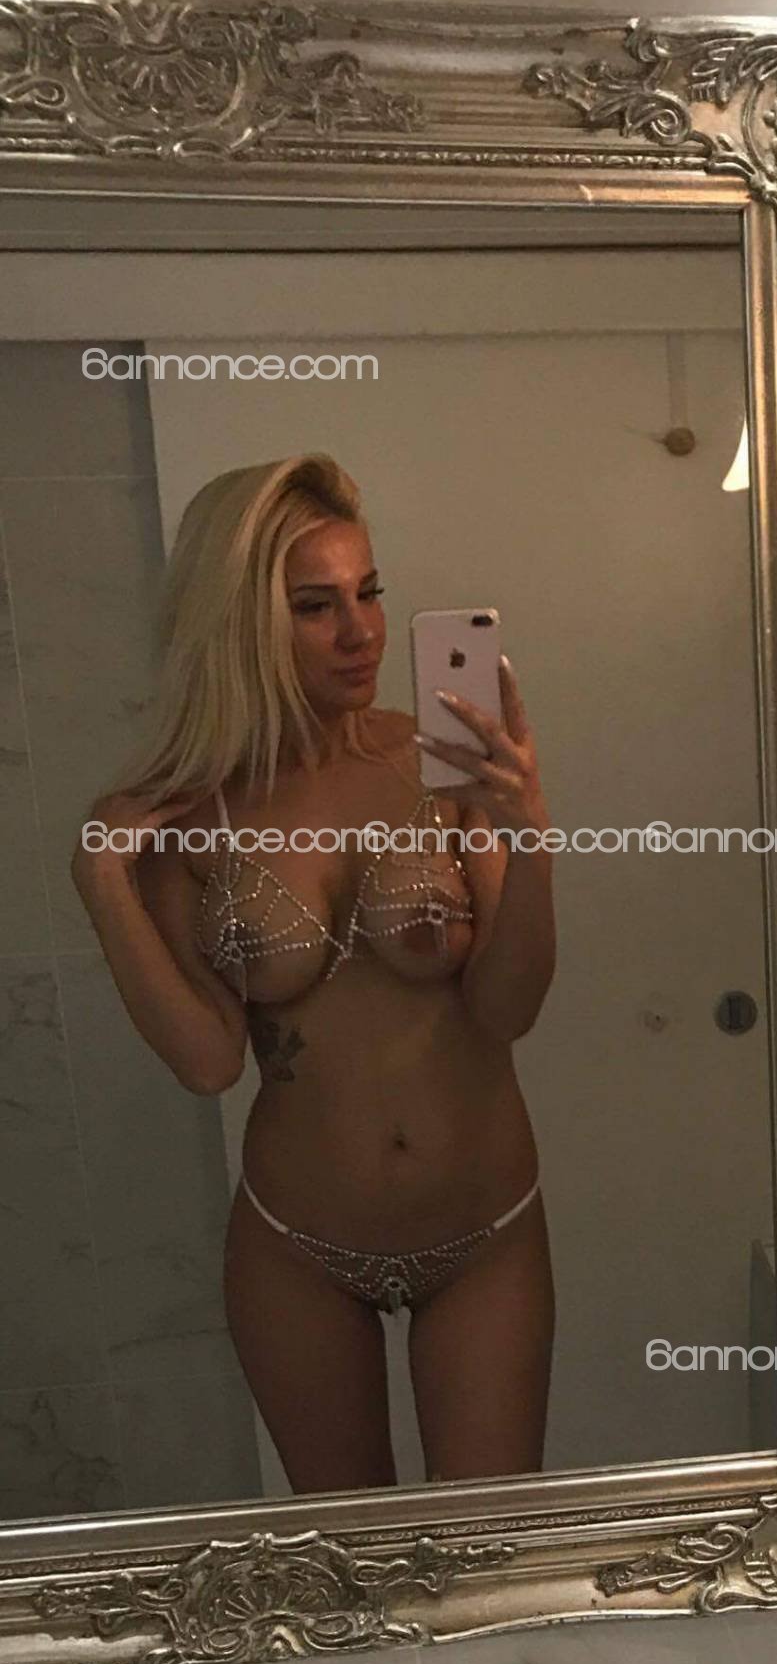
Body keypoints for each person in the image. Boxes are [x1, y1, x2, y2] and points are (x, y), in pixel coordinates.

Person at [71, 453, 556, 1492]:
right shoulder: (188, 814)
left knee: (492, 1549)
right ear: (242, 621)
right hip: (296, 1249)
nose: (362, 631)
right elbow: (208, 1061)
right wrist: (102, 882)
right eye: (315, 606)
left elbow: (508, 1007)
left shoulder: (439, 762)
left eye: (368, 592)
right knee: (346, 1561)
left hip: (485, 1232)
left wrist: (530, 836)